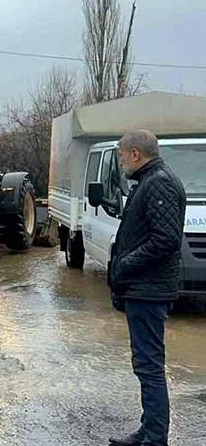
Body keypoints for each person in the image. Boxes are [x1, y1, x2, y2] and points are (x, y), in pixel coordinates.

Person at [108, 130, 186, 446]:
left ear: (136, 153)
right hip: (143, 287)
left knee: (149, 366)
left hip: (148, 289)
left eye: (122, 155)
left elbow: (165, 240)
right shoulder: (151, 180)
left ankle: (155, 438)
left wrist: (125, 264)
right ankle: (148, 430)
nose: (121, 160)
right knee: (145, 364)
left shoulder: (159, 183)